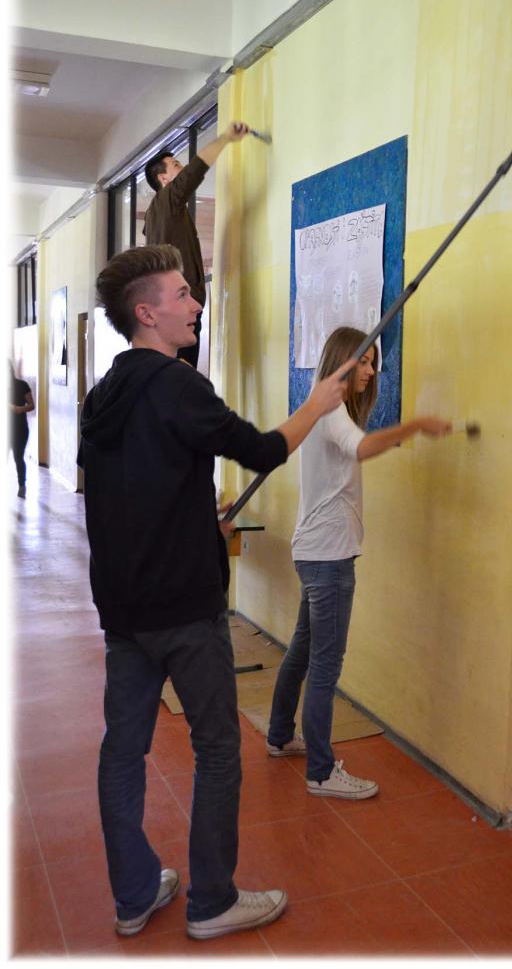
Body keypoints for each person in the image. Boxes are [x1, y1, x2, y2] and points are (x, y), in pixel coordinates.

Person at [78, 244, 354, 940]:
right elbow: (262, 450)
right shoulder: (177, 385)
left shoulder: (103, 395)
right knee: (219, 749)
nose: (196, 304)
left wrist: (201, 518)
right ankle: (212, 902)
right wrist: (317, 403)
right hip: (185, 611)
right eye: (181, 294)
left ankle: (133, 895)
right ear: (147, 314)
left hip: (124, 612)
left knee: (122, 751)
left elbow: (127, 495)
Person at [266, 326, 451, 799]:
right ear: (343, 362)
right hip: (328, 557)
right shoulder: (330, 411)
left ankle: (280, 735)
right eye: (363, 362)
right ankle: (322, 772)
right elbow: (363, 448)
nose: (371, 371)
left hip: (314, 551)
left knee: (304, 648)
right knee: (325, 664)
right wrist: (414, 425)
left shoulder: (321, 408)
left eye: (373, 363)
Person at [143, 121, 249, 368]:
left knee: (173, 370)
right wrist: (226, 138)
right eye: (176, 165)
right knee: (182, 372)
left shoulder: (154, 214)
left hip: (169, 307)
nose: (182, 169)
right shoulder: (168, 199)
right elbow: (196, 170)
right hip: (180, 307)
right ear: (163, 178)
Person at [8, 360, 34, 498]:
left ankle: (22, 485)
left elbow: (32, 405)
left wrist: (19, 409)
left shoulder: (22, 385)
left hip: (20, 429)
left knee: (18, 458)